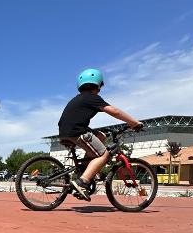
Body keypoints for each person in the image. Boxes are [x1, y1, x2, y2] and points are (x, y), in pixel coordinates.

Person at [58, 68, 143, 201]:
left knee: (101, 136)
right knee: (104, 154)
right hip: (78, 131)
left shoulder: (79, 98)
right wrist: (133, 122)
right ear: (97, 85)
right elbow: (114, 111)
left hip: (65, 132)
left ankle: (84, 169)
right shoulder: (92, 98)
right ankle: (83, 182)